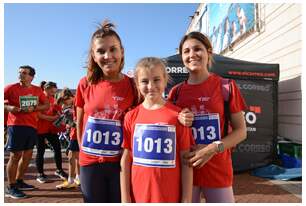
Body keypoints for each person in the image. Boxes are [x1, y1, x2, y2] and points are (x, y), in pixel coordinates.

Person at [76, 19, 193, 203]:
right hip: (90, 164)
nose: (108, 55)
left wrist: (180, 113)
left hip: (117, 164)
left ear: (122, 52)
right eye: (101, 51)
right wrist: (81, 151)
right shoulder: (85, 83)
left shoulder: (132, 86)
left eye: (113, 49)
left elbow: (152, 106)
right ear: (93, 54)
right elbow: (79, 121)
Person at [168, 31, 247, 203]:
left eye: (198, 49)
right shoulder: (175, 92)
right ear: (181, 56)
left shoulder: (226, 87)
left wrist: (212, 149)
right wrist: (177, 119)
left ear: (208, 52)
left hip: (218, 171)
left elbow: (241, 132)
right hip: (186, 172)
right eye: (186, 51)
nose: (192, 55)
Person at [120, 57, 193, 203]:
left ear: (165, 80)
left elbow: (186, 161)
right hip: (138, 196)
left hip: (169, 197)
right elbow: (126, 159)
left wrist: (187, 200)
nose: (151, 86)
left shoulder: (178, 116)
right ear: (137, 84)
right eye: (145, 81)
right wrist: (125, 198)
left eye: (156, 80)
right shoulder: (130, 117)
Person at [4, 65, 50, 199]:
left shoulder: (37, 90)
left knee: (27, 156)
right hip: (16, 125)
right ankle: (10, 187)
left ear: (32, 76)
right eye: (20, 73)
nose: (21, 75)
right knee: (15, 155)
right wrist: (9, 107)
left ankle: (19, 181)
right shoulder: (10, 88)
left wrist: (35, 108)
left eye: (24, 73)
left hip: (31, 126)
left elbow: (46, 105)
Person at [35, 81, 68, 184]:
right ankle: (40, 174)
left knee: (57, 148)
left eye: (54, 92)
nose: (52, 94)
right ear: (45, 89)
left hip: (50, 129)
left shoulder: (53, 99)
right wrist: (52, 118)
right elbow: (39, 115)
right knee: (41, 151)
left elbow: (55, 110)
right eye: (51, 92)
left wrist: (59, 115)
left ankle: (59, 170)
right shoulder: (39, 98)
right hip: (39, 129)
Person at [56, 88, 81, 189]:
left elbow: (78, 122)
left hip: (76, 134)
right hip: (75, 133)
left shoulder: (76, 103)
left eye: (64, 102)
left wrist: (69, 122)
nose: (64, 105)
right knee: (77, 156)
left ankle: (71, 180)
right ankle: (78, 178)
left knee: (71, 155)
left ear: (67, 97)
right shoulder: (75, 103)